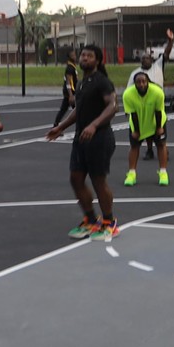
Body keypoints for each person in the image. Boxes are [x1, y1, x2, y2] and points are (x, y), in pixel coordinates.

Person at [45, 44, 120, 241]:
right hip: (81, 138)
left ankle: (109, 222)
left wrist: (94, 125)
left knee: (98, 180)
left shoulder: (102, 82)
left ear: (97, 60)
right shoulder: (81, 83)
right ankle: (90, 220)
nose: (84, 58)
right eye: (83, 55)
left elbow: (113, 106)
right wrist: (61, 127)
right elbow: (79, 110)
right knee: (75, 179)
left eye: (89, 55)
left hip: (100, 138)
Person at [128, 29, 174, 159]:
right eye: (143, 58)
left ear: (152, 59)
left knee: (160, 127)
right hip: (142, 104)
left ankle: (163, 149)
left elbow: (166, 52)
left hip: (156, 102)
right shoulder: (135, 73)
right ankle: (149, 150)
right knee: (145, 129)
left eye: (148, 58)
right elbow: (129, 91)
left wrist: (170, 41)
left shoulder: (158, 65)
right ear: (140, 60)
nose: (145, 60)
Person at [121, 71, 169, 187]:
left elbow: (158, 112)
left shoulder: (157, 92)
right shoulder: (128, 94)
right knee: (134, 146)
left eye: (144, 81)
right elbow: (133, 115)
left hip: (155, 121)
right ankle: (131, 174)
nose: (141, 84)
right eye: (138, 82)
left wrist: (159, 127)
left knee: (161, 145)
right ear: (134, 83)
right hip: (138, 122)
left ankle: (163, 173)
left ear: (148, 82)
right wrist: (136, 131)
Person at [53, 49, 78, 128]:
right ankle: (56, 126)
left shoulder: (72, 66)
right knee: (78, 110)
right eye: (73, 55)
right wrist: (70, 94)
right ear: (70, 57)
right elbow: (68, 81)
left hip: (72, 92)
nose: (75, 56)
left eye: (75, 55)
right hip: (69, 93)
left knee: (64, 109)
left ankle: (56, 125)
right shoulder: (70, 68)